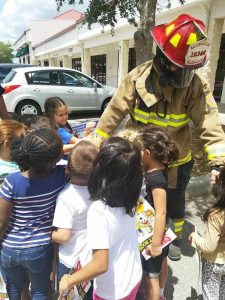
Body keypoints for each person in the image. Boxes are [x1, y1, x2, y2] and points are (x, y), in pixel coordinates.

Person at [94, 13, 225, 260]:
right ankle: (140, 234)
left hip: (178, 160)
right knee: (141, 196)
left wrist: (219, 162)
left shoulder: (196, 86)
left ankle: (169, 240)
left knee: (175, 203)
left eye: (189, 70)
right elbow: (113, 113)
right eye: (179, 68)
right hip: (143, 158)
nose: (184, 76)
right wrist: (95, 142)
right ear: (163, 59)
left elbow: (209, 120)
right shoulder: (137, 79)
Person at [59, 137, 143, 300]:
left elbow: (100, 264)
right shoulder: (132, 195)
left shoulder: (99, 209)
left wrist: (69, 281)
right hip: (132, 274)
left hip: (111, 290)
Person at [0, 128, 70, 300]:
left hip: (9, 247)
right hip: (39, 249)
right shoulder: (61, 176)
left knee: (14, 289)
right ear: (56, 159)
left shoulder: (12, 182)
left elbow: (2, 222)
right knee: (40, 291)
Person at [52, 140, 98, 298]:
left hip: (71, 260)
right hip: (93, 257)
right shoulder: (99, 189)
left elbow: (64, 236)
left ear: (67, 169)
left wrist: (49, 232)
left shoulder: (66, 197)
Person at [139, 127, 179, 300]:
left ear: (147, 153)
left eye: (140, 149)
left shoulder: (156, 179)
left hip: (157, 229)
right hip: (158, 227)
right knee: (161, 263)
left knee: (150, 276)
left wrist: (156, 244)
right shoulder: (154, 171)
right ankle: (161, 294)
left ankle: (156, 294)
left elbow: (161, 212)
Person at [189, 167, 225, 300]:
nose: (212, 178)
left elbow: (209, 246)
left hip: (214, 262)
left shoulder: (216, 215)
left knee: (210, 295)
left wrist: (195, 237)